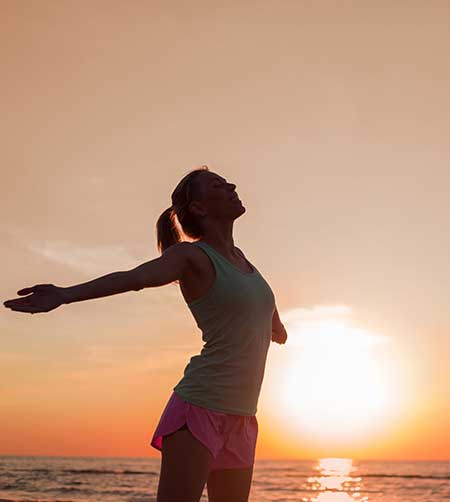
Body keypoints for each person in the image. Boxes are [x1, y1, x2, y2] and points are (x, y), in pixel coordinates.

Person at [3, 164, 288, 502]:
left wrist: (275, 324)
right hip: (200, 408)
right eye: (218, 185)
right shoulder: (190, 256)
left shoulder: (242, 261)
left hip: (242, 418)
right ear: (198, 207)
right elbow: (134, 278)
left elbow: (262, 309)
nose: (232, 185)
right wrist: (65, 294)